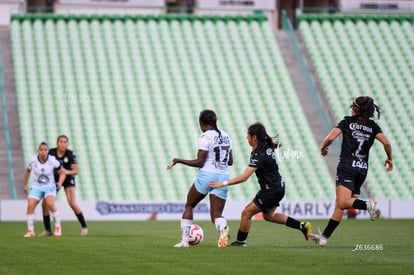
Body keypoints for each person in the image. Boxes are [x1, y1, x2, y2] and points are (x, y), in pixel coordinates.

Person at [210, 123, 312, 247]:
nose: (246, 138)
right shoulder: (265, 146)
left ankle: (240, 241)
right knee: (269, 216)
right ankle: (303, 226)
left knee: (246, 213)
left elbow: (244, 177)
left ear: (254, 138)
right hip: (278, 186)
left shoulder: (259, 154)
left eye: (248, 135)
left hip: (271, 189)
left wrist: (223, 183)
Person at [311, 96, 393, 246]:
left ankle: (367, 205)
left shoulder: (347, 122)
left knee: (342, 202)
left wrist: (323, 148)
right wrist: (389, 158)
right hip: (362, 170)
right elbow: (387, 143)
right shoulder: (373, 126)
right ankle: (324, 238)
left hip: (347, 167)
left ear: (355, 109)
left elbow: (331, 137)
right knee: (339, 204)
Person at [167, 110, 233, 248]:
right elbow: (230, 161)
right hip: (223, 176)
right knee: (216, 214)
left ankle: (185, 241)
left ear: (202, 123)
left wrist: (179, 160)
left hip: (207, 175)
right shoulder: (226, 136)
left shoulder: (204, 137)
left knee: (189, 205)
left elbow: (200, 162)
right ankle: (223, 229)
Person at [40, 135, 88, 236]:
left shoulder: (70, 154)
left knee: (72, 203)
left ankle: (84, 226)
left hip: (68, 178)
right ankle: (48, 230)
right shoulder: (51, 153)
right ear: (57, 143)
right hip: (53, 179)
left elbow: (75, 171)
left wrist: (66, 172)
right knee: (45, 203)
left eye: (65, 142)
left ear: (67, 143)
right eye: (61, 142)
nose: (63, 144)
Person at [23, 142, 65, 237]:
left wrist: (60, 182)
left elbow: (62, 172)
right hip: (36, 186)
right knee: (30, 205)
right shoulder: (32, 160)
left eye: (45, 150)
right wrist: (25, 185)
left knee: (50, 204)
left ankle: (58, 228)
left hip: (49, 186)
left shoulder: (52, 160)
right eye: (41, 150)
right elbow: (28, 171)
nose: (43, 152)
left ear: (48, 151)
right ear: (38, 151)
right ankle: (30, 231)